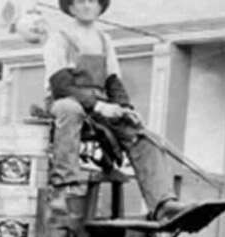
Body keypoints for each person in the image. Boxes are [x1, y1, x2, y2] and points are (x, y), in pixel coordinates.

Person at [44, 0, 203, 220]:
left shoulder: (104, 40)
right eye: (80, 1)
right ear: (70, 7)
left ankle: (163, 203)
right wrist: (99, 106)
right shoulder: (59, 38)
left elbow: (113, 81)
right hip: (68, 98)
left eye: (93, 1)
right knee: (69, 110)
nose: (87, 6)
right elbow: (61, 84)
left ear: (101, 7)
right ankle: (62, 189)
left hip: (100, 104)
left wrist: (126, 108)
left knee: (145, 137)